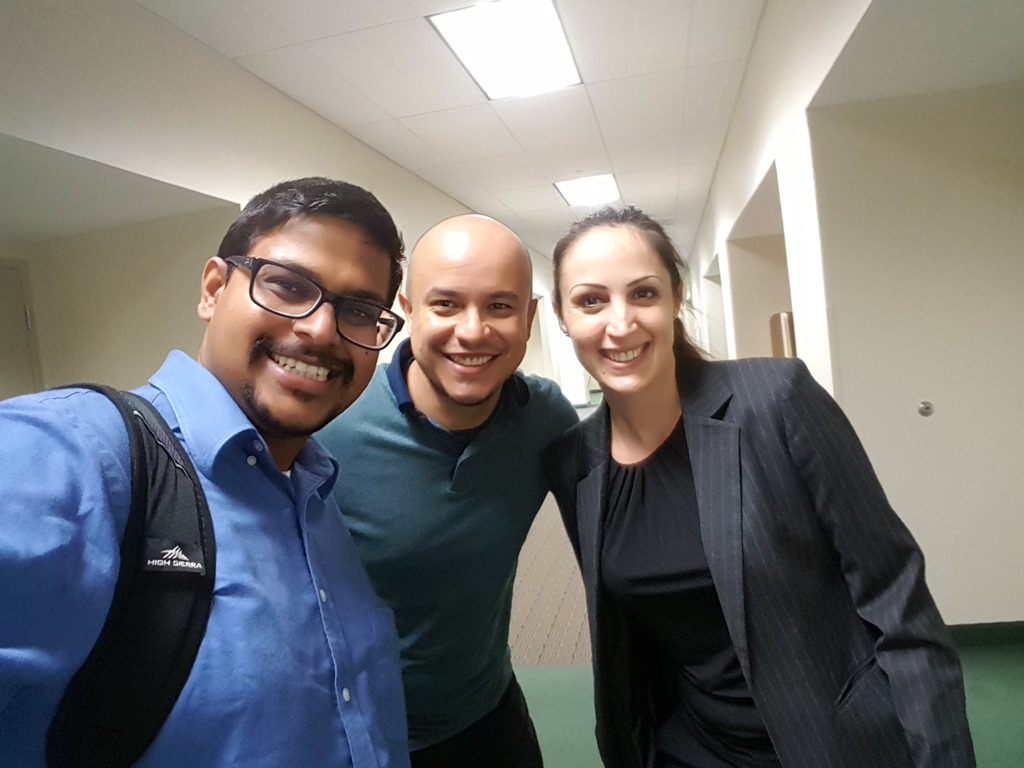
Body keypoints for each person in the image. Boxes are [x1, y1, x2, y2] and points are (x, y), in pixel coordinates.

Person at [0, 177, 413, 767]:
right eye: (288, 285)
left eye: (360, 311)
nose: (321, 330)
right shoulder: (67, 454)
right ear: (215, 289)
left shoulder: (312, 490)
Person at [543, 205, 975, 768]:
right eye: (590, 300)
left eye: (643, 293)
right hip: (691, 749)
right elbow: (628, 640)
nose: (620, 323)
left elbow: (895, 594)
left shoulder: (776, 400)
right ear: (562, 316)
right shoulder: (574, 462)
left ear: (676, 298)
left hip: (833, 744)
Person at [317, 213, 579, 768]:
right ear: (408, 310)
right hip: (362, 735)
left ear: (530, 317)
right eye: (445, 304)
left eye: (500, 305)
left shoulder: (546, 418)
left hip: (488, 708)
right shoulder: (328, 427)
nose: (473, 330)